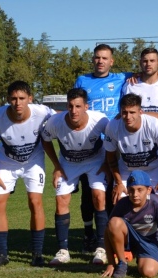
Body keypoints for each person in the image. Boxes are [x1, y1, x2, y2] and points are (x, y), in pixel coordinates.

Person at [74, 44, 158, 254]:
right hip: (102, 142)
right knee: (96, 193)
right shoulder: (98, 81)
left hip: (145, 148)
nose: (100, 61)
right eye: (97, 57)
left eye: (105, 58)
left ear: (111, 61)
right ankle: (102, 240)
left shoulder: (128, 80)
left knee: (156, 198)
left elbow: (151, 72)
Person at [0, 80, 53, 268]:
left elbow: (64, 119)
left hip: (33, 162)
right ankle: (2, 255)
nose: (18, 102)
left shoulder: (43, 112)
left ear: (30, 98)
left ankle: (37, 254)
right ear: (7, 99)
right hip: (6, 164)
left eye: (22, 98)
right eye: (13, 98)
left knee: (35, 202)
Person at [41, 88, 109, 265]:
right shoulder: (55, 122)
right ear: (66, 106)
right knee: (61, 199)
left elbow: (113, 139)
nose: (74, 110)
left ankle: (101, 249)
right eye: (70, 106)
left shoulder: (99, 120)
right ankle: (63, 251)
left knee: (99, 197)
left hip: (95, 161)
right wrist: (56, 166)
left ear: (86, 106)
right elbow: (45, 140)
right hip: (68, 162)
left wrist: (108, 163)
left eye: (78, 106)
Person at [122, 48, 158, 227]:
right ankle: (135, 237)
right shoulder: (131, 84)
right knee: (134, 196)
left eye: (152, 61)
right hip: (136, 147)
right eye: (145, 61)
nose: (148, 64)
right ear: (140, 63)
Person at [103, 93, 158, 221]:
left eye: (132, 112)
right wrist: (118, 182)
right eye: (124, 112)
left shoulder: (154, 125)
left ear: (140, 112)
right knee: (119, 199)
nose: (128, 117)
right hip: (127, 169)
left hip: (155, 167)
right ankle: (126, 236)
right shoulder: (113, 126)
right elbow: (111, 156)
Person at [101, 170, 158, 278]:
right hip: (129, 239)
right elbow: (107, 232)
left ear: (148, 190)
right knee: (114, 223)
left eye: (140, 190)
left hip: (149, 241)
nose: (135, 194)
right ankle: (122, 263)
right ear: (127, 190)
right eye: (131, 190)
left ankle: (142, 257)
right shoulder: (122, 204)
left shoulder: (156, 204)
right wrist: (111, 263)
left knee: (148, 272)